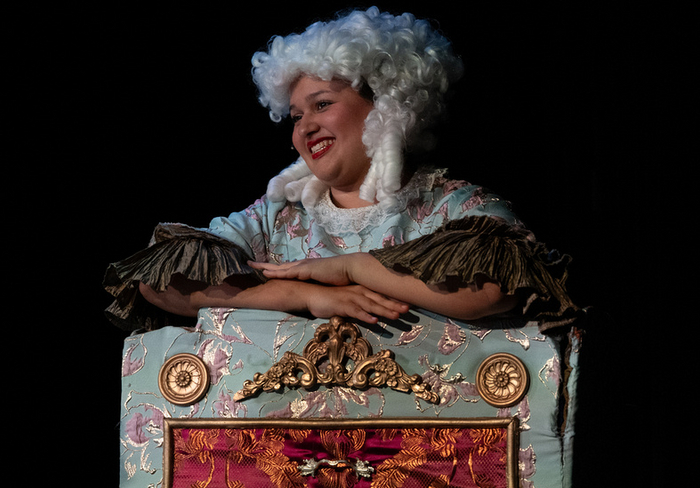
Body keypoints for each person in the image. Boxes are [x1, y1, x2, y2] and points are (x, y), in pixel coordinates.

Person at [104, 7, 577, 332]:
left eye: (322, 105)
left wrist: (350, 268)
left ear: (387, 107)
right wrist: (301, 295)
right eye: (295, 116)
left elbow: (498, 286)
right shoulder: (277, 218)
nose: (305, 127)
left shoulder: (453, 207)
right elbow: (160, 281)